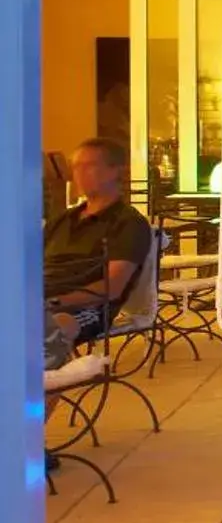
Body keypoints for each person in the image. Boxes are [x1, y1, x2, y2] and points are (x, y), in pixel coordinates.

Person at [43, 138, 152, 368]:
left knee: (48, 331)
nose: (80, 173)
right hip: (39, 301)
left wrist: (53, 301)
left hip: (87, 309)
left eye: (90, 165)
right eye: (76, 166)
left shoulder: (127, 223)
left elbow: (112, 287)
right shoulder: (61, 221)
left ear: (116, 171)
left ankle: (39, 396)